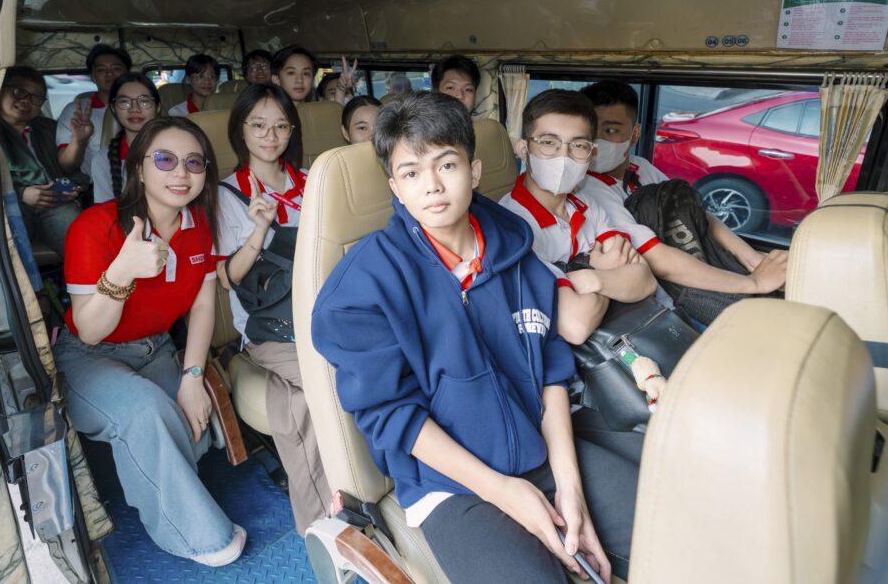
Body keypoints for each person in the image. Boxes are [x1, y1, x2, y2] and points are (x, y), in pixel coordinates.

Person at [312, 92, 637, 584]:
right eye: (411, 173)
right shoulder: (363, 286)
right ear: (395, 187)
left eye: (447, 165)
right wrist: (504, 492)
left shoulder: (514, 249)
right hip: (448, 484)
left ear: (474, 170)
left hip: (540, 449)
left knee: (670, 526)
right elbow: (392, 415)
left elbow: (550, 368)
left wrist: (569, 488)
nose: (432, 186)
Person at [56, 116, 247, 566]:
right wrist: (122, 271)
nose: (181, 173)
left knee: (191, 427)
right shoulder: (93, 226)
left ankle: (167, 466)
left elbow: (203, 307)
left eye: (194, 162)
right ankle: (201, 538)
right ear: (139, 168)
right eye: (164, 159)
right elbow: (91, 330)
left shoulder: (200, 225)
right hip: (88, 356)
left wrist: (193, 377)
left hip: (155, 347)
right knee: (147, 413)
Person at [215, 83, 330, 534]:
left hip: (325, 312)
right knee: (328, 381)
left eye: (281, 126)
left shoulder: (312, 182)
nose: (271, 136)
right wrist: (259, 231)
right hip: (271, 326)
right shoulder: (228, 195)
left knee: (302, 399)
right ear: (241, 130)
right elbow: (227, 277)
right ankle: (324, 522)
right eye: (259, 125)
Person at [576, 81, 788, 297]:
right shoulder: (587, 189)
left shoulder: (641, 167)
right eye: (591, 130)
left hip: (693, 266)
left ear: (635, 135)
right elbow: (659, 260)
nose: (598, 140)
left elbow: (696, 214)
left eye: (611, 130)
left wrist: (753, 260)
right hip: (664, 293)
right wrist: (753, 283)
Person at [499, 90, 656, 345]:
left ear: (592, 154)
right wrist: (604, 271)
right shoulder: (513, 226)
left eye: (578, 145)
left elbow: (646, 281)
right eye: (548, 142)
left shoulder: (587, 203)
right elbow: (576, 325)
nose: (563, 157)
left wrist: (591, 279)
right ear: (523, 149)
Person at [0, 65, 82, 257]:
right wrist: (21, 193)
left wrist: (75, 186)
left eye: (36, 97)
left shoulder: (49, 128)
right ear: (0, 91)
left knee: (81, 240)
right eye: (19, 92)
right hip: (12, 204)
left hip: (56, 203)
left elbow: (76, 171)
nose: (26, 101)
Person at [57, 44, 132, 180]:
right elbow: (67, 166)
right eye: (101, 69)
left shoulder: (141, 108)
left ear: (127, 73)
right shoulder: (76, 111)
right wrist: (79, 141)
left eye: (116, 68)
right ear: (92, 76)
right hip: (95, 186)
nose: (109, 74)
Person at [90, 72, 161, 203]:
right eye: (124, 102)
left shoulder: (177, 151)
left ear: (158, 107)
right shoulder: (102, 160)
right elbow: (104, 211)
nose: (134, 108)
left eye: (144, 101)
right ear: (113, 109)